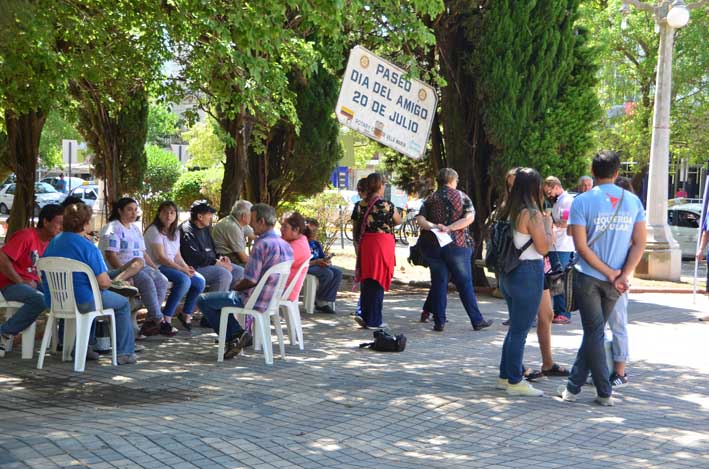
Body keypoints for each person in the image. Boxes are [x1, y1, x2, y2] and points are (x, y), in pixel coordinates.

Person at [558, 150, 646, 406]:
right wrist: (624, 273)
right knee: (594, 333)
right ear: (617, 172)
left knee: (593, 333)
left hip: (589, 277)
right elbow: (640, 242)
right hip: (617, 281)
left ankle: (603, 392)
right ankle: (573, 388)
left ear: (593, 172)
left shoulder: (582, 201)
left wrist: (609, 273)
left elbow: (581, 247)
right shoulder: (633, 201)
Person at [43, 203, 137, 364]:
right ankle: (125, 353)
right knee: (121, 304)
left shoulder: (54, 242)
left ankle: (82, 348)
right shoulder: (88, 247)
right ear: (86, 223)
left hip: (56, 301)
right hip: (83, 301)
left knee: (93, 296)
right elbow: (104, 283)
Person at [197, 204, 293, 359]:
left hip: (252, 299)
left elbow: (250, 280)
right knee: (219, 301)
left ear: (261, 221)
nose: (250, 224)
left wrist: (235, 286)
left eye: (253, 220)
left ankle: (236, 335)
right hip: (271, 300)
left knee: (203, 300)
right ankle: (237, 336)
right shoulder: (285, 245)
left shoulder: (261, 244)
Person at [495, 168, 552, 396]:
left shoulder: (507, 210)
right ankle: (515, 380)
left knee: (515, 329)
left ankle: (505, 375)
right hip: (528, 273)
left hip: (509, 273)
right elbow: (544, 248)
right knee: (520, 330)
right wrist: (548, 226)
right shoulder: (531, 214)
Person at [415, 168, 492, 332]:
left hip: (434, 245)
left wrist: (435, 226)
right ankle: (477, 320)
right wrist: (450, 228)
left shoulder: (430, 198)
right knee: (464, 284)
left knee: (439, 282)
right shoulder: (463, 197)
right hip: (457, 245)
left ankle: (439, 322)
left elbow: (420, 220)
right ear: (452, 180)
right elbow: (469, 218)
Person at [100, 197, 172, 337]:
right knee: (146, 281)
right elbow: (111, 255)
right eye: (129, 209)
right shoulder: (113, 228)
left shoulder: (135, 228)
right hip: (122, 269)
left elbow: (143, 253)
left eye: (135, 210)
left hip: (140, 266)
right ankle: (159, 319)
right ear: (120, 211)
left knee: (162, 280)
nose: (133, 213)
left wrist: (155, 269)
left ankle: (150, 322)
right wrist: (126, 274)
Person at [0, 204, 64, 357]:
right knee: (40, 300)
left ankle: (64, 343)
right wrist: (20, 280)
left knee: (62, 296)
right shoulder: (26, 236)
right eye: (58, 223)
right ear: (46, 221)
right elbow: (2, 258)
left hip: (33, 282)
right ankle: (4, 333)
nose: (61, 227)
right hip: (9, 284)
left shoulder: (51, 242)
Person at [144, 201, 206, 332]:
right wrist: (182, 270)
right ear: (159, 214)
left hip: (172, 266)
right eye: (165, 212)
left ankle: (186, 313)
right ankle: (167, 317)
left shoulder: (175, 232)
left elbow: (177, 255)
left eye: (172, 212)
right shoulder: (153, 230)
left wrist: (187, 267)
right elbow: (161, 257)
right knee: (184, 280)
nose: (168, 216)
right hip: (157, 266)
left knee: (199, 281)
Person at [351, 173, 401, 329]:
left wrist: (356, 245)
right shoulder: (386, 205)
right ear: (380, 186)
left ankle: (365, 315)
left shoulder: (360, 205)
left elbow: (355, 227)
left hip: (366, 243)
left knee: (367, 280)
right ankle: (374, 320)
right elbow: (398, 221)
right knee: (378, 280)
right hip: (382, 245)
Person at [180, 200, 244, 292]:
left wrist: (221, 258)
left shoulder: (205, 228)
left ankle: (226, 302)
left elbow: (212, 250)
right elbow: (195, 257)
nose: (211, 217)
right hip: (194, 267)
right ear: (200, 216)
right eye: (209, 214)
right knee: (223, 274)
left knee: (239, 271)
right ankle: (213, 304)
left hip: (209, 263)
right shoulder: (187, 230)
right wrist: (217, 263)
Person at [543, 176, 576, 324]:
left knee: (560, 279)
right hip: (557, 245)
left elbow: (564, 223)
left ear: (556, 187)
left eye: (549, 191)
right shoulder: (558, 202)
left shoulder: (566, 201)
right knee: (555, 278)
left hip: (562, 246)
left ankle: (563, 312)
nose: (548, 195)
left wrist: (550, 222)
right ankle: (558, 310)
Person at [304, 219, 342, 315]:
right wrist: (316, 262)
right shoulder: (303, 243)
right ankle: (320, 302)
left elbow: (321, 257)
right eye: (312, 231)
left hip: (317, 265)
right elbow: (303, 262)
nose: (314, 234)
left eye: (316, 231)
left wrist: (326, 260)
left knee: (338, 273)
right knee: (327, 273)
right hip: (308, 266)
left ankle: (324, 299)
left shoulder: (316, 244)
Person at [280, 212, 311, 302]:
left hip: (284, 290)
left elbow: (273, 263)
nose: (281, 230)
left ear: (296, 229)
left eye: (285, 227)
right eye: (281, 226)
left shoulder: (297, 246)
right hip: (283, 288)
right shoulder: (298, 240)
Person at [213, 200, 254, 265]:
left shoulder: (239, 222)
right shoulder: (232, 227)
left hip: (232, 256)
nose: (252, 217)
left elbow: (255, 236)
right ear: (244, 216)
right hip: (225, 257)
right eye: (251, 214)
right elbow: (244, 258)